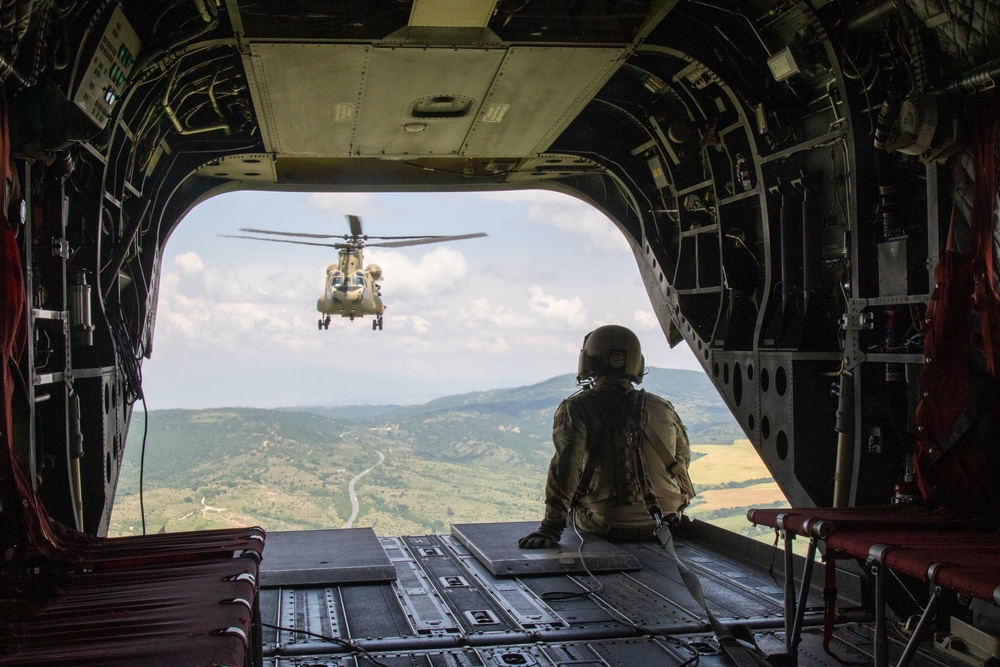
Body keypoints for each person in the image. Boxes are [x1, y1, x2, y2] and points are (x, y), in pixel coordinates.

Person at [519, 325, 695, 548]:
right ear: (637, 362)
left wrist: (550, 528)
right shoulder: (663, 407)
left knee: (579, 508)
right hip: (665, 523)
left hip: (609, 523)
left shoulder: (577, 408)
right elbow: (682, 461)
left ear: (588, 362)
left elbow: (566, 468)